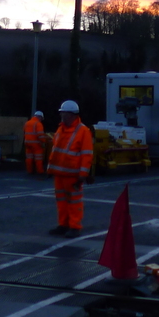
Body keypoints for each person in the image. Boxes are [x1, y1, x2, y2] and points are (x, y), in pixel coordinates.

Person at [47, 100, 93, 238]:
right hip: (59, 174)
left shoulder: (83, 131)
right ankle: (64, 225)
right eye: (61, 113)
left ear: (72, 114)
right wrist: (50, 169)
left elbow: (87, 154)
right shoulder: (61, 129)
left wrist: (83, 174)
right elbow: (56, 150)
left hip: (72, 175)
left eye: (64, 113)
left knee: (74, 202)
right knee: (62, 202)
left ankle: (74, 226)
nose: (62, 116)